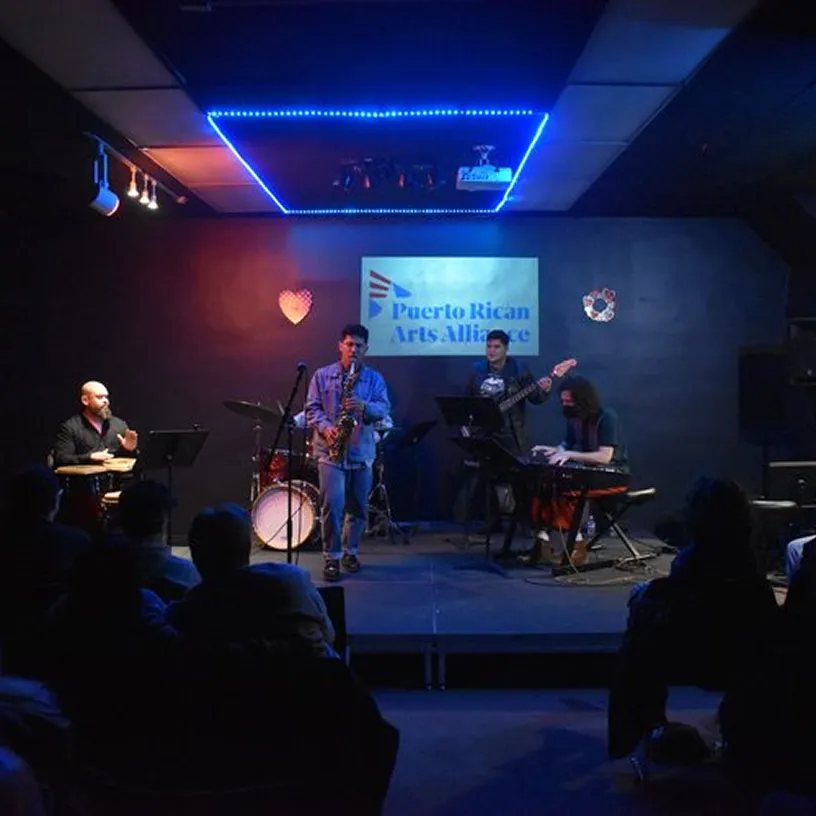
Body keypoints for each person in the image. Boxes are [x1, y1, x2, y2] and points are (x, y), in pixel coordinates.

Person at [306, 324, 390, 582]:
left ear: (366, 349)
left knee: (358, 507)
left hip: (361, 451)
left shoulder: (374, 379)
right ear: (340, 345)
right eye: (349, 344)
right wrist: (327, 427)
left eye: (359, 346)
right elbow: (312, 409)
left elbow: (384, 409)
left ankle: (350, 552)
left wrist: (363, 405)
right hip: (330, 452)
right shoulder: (321, 376)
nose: (354, 350)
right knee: (333, 504)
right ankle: (331, 558)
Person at [528, 375, 628, 565]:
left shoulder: (607, 416)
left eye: (569, 401)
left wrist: (570, 455)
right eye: (563, 401)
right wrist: (552, 450)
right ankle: (543, 539)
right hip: (588, 472)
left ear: (582, 400)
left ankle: (577, 545)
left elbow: (604, 457)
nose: (565, 405)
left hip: (614, 474)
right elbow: (565, 447)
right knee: (547, 482)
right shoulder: (574, 419)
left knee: (569, 488)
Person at [53, 381, 138, 466]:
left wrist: (129, 449)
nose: (106, 401)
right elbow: (61, 458)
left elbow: (131, 460)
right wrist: (89, 457)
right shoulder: (70, 427)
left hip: (116, 478)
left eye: (106, 397)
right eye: (100, 397)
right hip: (85, 478)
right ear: (85, 400)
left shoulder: (119, 425)